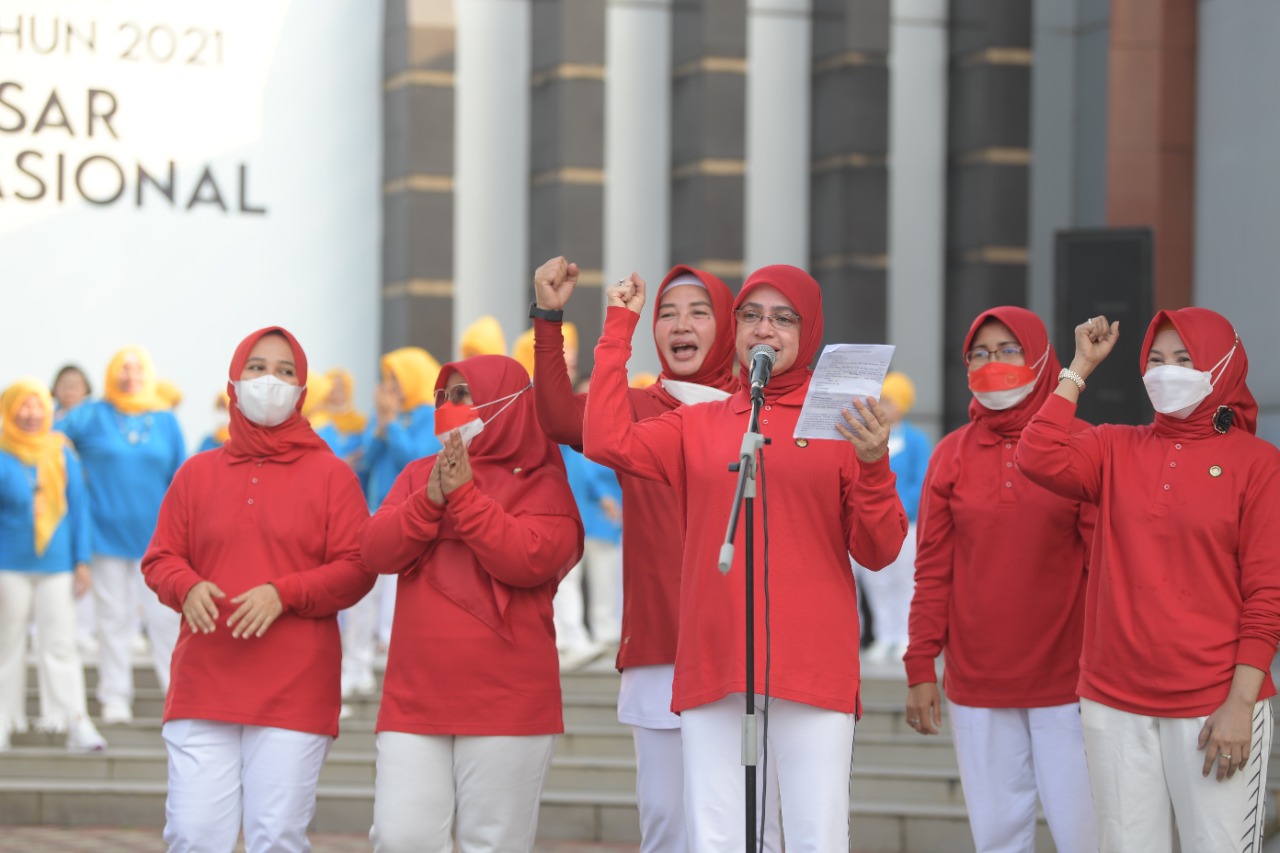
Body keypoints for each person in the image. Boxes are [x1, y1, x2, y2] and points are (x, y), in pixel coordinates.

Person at [582, 265, 908, 851]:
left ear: (809, 334)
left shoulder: (844, 422)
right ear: (735, 330)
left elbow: (880, 550)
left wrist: (873, 463)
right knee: (715, 838)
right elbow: (607, 440)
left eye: (785, 319)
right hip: (716, 659)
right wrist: (618, 328)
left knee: (815, 835)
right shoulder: (699, 422)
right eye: (752, 316)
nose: (766, 330)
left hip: (812, 665)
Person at [531, 258, 782, 852]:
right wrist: (558, 318)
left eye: (699, 312)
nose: (680, 324)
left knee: (751, 832)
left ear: (728, 325)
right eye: (666, 313)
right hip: (660, 645)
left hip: (745, 646)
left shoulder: (759, 413)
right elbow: (562, 417)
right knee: (668, 828)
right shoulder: (638, 412)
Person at [1017, 308, 1280, 851]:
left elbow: (1268, 595)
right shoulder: (1115, 446)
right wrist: (1079, 368)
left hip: (1215, 706)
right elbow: (1037, 455)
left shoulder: (1259, 465)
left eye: (1184, 360)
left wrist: (1240, 704)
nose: (1167, 371)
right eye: (1155, 360)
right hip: (1114, 700)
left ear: (1223, 365)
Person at [142, 326, 374, 853]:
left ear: (302, 391)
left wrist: (284, 593)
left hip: (295, 686)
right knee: (193, 835)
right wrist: (186, 584)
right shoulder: (195, 474)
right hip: (204, 681)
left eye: (285, 371)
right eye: (258, 367)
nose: (270, 380)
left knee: (276, 837)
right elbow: (160, 558)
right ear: (233, 381)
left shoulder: (333, 476)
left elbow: (359, 567)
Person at [362, 354, 583, 852]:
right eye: (444, 396)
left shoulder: (542, 481)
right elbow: (374, 550)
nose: (450, 407)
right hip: (414, 700)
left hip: (507, 702)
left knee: (494, 843)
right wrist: (428, 501)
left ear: (508, 404)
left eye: (464, 395)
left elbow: (526, 561)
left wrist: (464, 499)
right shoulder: (421, 472)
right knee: (401, 840)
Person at [902, 307, 1097, 852]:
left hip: (1070, 683)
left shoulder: (1081, 445)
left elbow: (1102, 566)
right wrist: (921, 663)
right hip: (977, 684)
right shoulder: (950, 455)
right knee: (997, 840)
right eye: (980, 354)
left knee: (1086, 837)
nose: (993, 364)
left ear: (1040, 357)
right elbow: (933, 570)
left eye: (1008, 350)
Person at [58, 345, 185, 725]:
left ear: (149, 375)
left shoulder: (165, 420)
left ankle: (176, 695)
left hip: (160, 541)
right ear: (112, 374)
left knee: (166, 620)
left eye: (138, 370)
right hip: (105, 535)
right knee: (113, 619)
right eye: (123, 370)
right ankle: (114, 697)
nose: (130, 377)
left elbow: (182, 479)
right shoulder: (92, 415)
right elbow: (48, 438)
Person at [0, 379, 106, 753]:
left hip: (58, 566)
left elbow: (80, 511)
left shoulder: (62, 454)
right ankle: (3, 722)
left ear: (47, 411)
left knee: (60, 645)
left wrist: (82, 562)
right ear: (10, 410)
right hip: (8, 566)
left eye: (37, 406)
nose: (30, 414)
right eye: (22, 407)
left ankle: (73, 722)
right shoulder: (1, 453)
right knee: (6, 644)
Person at [344, 347, 443, 697]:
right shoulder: (383, 415)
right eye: (387, 380)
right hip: (375, 510)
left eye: (396, 379)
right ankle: (356, 663)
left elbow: (416, 460)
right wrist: (382, 426)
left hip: (410, 514)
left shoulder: (427, 416)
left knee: (394, 595)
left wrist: (392, 426)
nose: (390, 387)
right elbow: (366, 461)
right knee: (364, 592)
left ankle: (386, 662)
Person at [855, 370, 931, 662]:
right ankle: (884, 636)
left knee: (904, 582)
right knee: (877, 583)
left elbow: (920, 481)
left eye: (888, 400)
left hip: (907, 525)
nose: (882, 406)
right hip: (875, 524)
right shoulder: (868, 435)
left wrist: (899, 510)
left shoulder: (915, 439)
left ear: (901, 403)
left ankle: (906, 637)